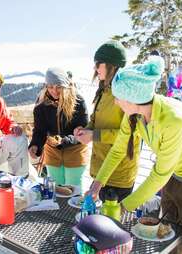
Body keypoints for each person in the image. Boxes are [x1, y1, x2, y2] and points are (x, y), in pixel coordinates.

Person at [88, 56, 182, 254]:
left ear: (132, 98)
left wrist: (124, 207)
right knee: (166, 237)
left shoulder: (173, 119)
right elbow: (118, 151)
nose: (116, 101)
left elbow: (159, 174)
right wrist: (97, 184)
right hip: (175, 177)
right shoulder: (133, 115)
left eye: (118, 97)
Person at [74, 40, 141, 201]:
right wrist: (86, 130)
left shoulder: (128, 94)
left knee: (112, 223)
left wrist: (94, 135)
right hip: (100, 171)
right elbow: (95, 120)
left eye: (99, 64)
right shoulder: (104, 90)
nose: (95, 69)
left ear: (112, 65)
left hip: (119, 175)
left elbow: (132, 135)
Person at [28, 67, 88, 187]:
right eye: (50, 87)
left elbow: (84, 131)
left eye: (58, 87)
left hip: (75, 152)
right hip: (53, 152)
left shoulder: (78, 102)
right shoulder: (41, 105)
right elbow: (40, 130)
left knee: (74, 190)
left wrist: (64, 140)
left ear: (65, 86)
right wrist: (35, 145)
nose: (54, 91)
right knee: (55, 190)